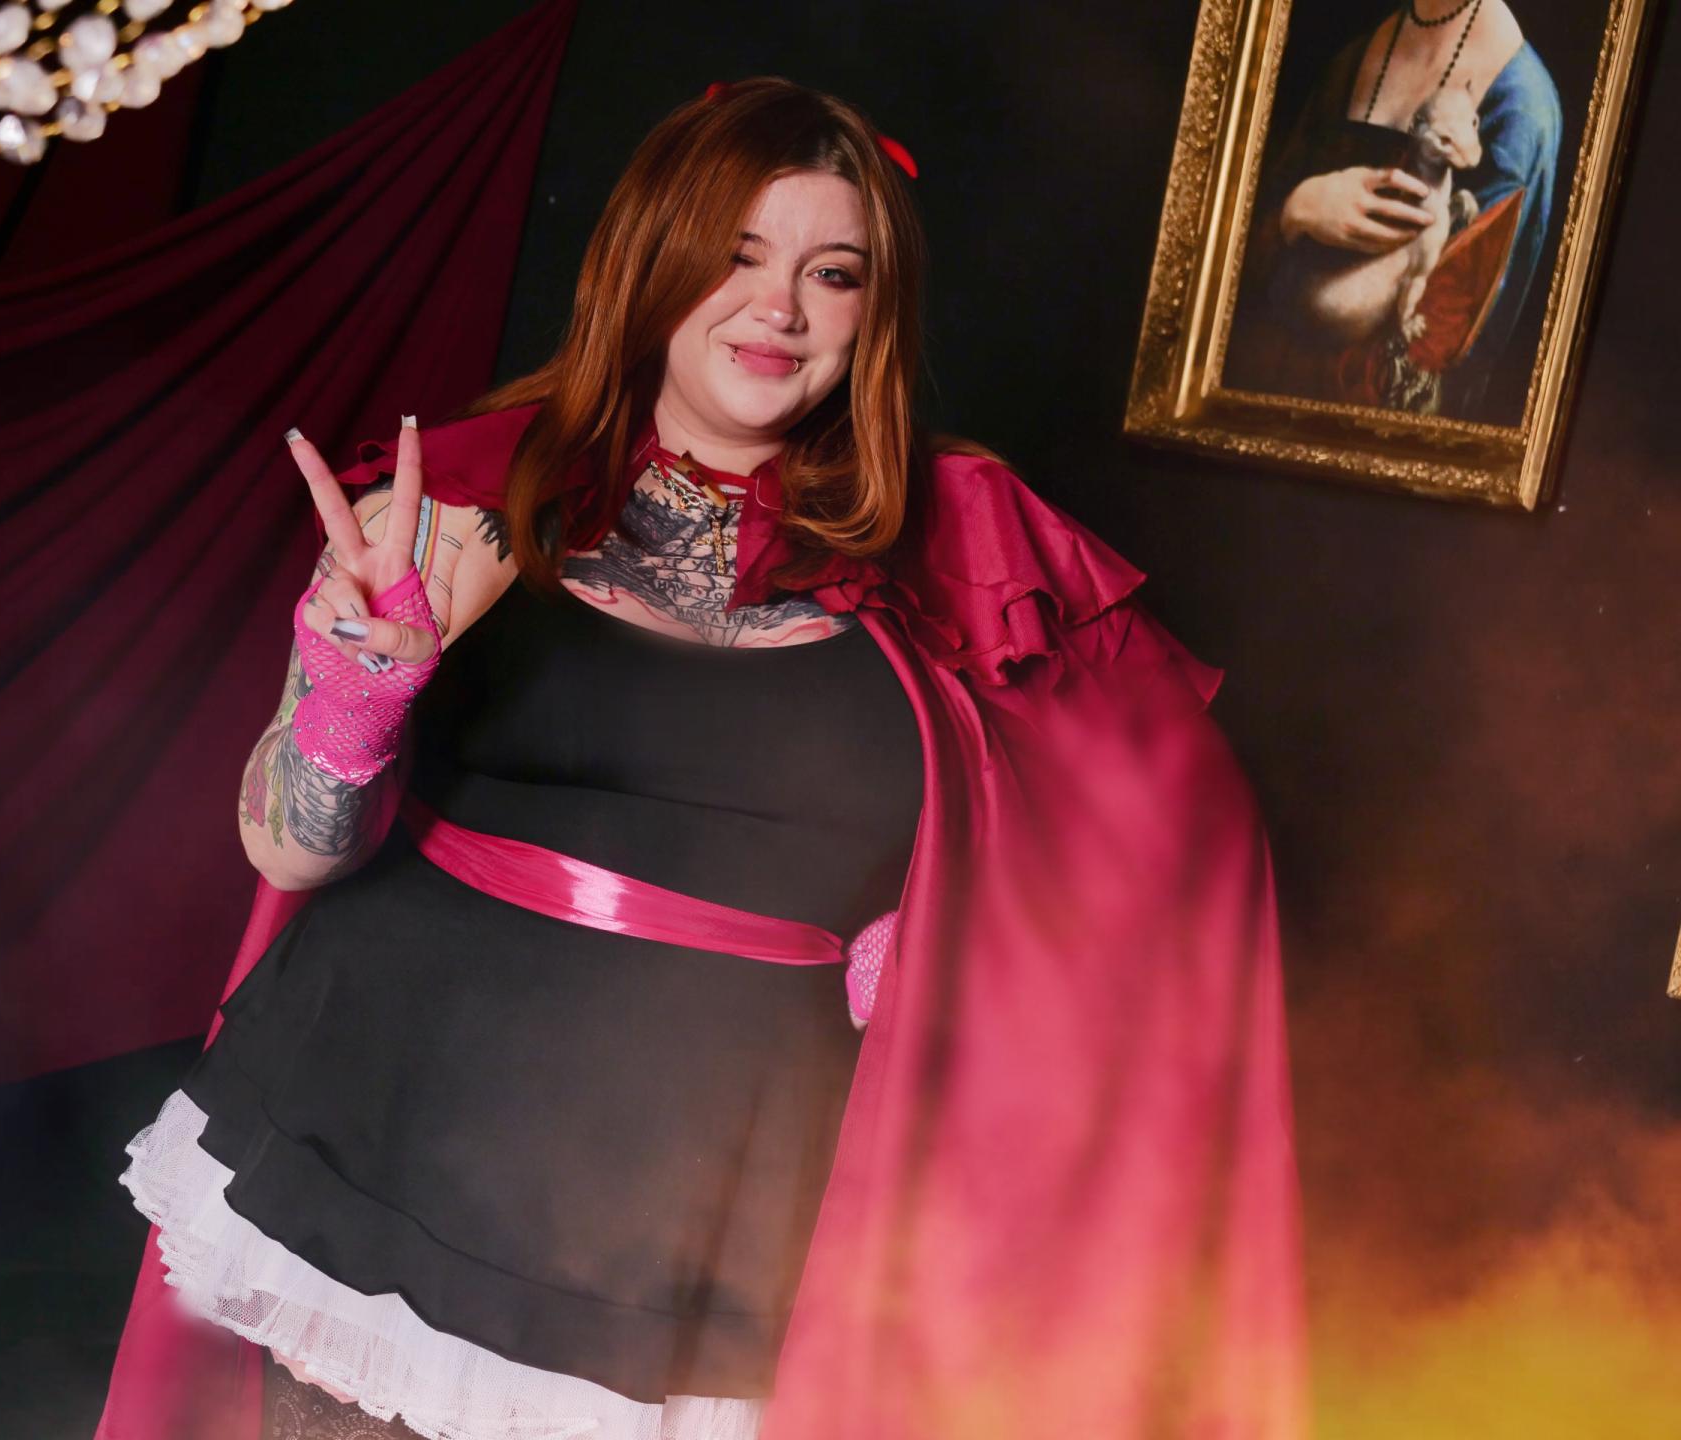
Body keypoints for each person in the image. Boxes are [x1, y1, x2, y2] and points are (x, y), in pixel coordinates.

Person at [100, 77, 1307, 1440]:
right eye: (737, 256)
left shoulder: (969, 555)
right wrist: (354, 693)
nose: (778, 308)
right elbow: (286, 850)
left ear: (874, 315)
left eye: (831, 273)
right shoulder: (465, 506)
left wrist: (953, 956)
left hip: (714, 1226)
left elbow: (1171, 870)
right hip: (384, 1150)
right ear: (648, 266)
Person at [1227, 0, 1562, 422]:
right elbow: (1229, 278)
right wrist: (1300, 208)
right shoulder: (1352, 59)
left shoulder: (1521, 109)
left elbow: (1426, 368)